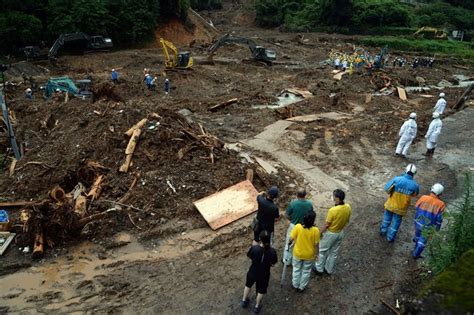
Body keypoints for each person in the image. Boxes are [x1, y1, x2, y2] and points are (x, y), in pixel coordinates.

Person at [313, 189, 351, 275]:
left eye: (334, 196)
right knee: (334, 252)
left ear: (337, 198)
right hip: (340, 232)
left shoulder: (333, 210)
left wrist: (319, 232)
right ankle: (329, 269)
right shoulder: (348, 207)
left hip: (331, 233)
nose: (333, 197)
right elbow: (347, 220)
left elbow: (327, 225)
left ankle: (319, 269)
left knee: (322, 251)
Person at [380, 164, 420, 242]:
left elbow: (386, 189)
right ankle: (390, 238)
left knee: (386, 219)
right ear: (414, 173)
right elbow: (415, 194)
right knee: (396, 223)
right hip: (401, 208)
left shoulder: (397, 179)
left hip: (390, 205)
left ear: (405, 170)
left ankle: (383, 231)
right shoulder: (415, 185)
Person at [240, 230, 277, 314]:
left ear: (260, 238)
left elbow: (250, 256)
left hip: (253, 271)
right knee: (261, 290)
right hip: (264, 275)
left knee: (248, 285)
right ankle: (256, 307)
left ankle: (244, 300)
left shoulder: (254, 248)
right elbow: (273, 263)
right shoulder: (272, 251)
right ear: (269, 239)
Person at [412, 183, 445, 259]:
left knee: (418, 233)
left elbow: (416, 206)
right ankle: (415, 254)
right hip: (428, 226)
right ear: (440, 193)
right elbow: (439, 219)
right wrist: (437, 228)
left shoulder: (423, 197)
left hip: (418, 222)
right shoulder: (441, 204)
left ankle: (416, 242)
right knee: (423, 240)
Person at [289, 211, 319, 292]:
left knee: (296, 269)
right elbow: (316, 244)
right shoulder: (316, 230)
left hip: (298, 253)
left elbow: (291, 238)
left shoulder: (298, 227)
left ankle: (295, 284)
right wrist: (317, 254)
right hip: (309, 255)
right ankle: (302, 287)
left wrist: (291, 241)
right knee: (306, 271)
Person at [283, 188, 313, 264]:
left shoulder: (293, 203)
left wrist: (289, 221)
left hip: (294, 225)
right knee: (299, 243)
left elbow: (286, 214)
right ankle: (295, 260)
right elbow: (311, 215)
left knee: (289, 243)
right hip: (304, 226)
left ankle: (287, 260)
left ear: (297, 195)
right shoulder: (309, 204)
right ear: (305, 195)